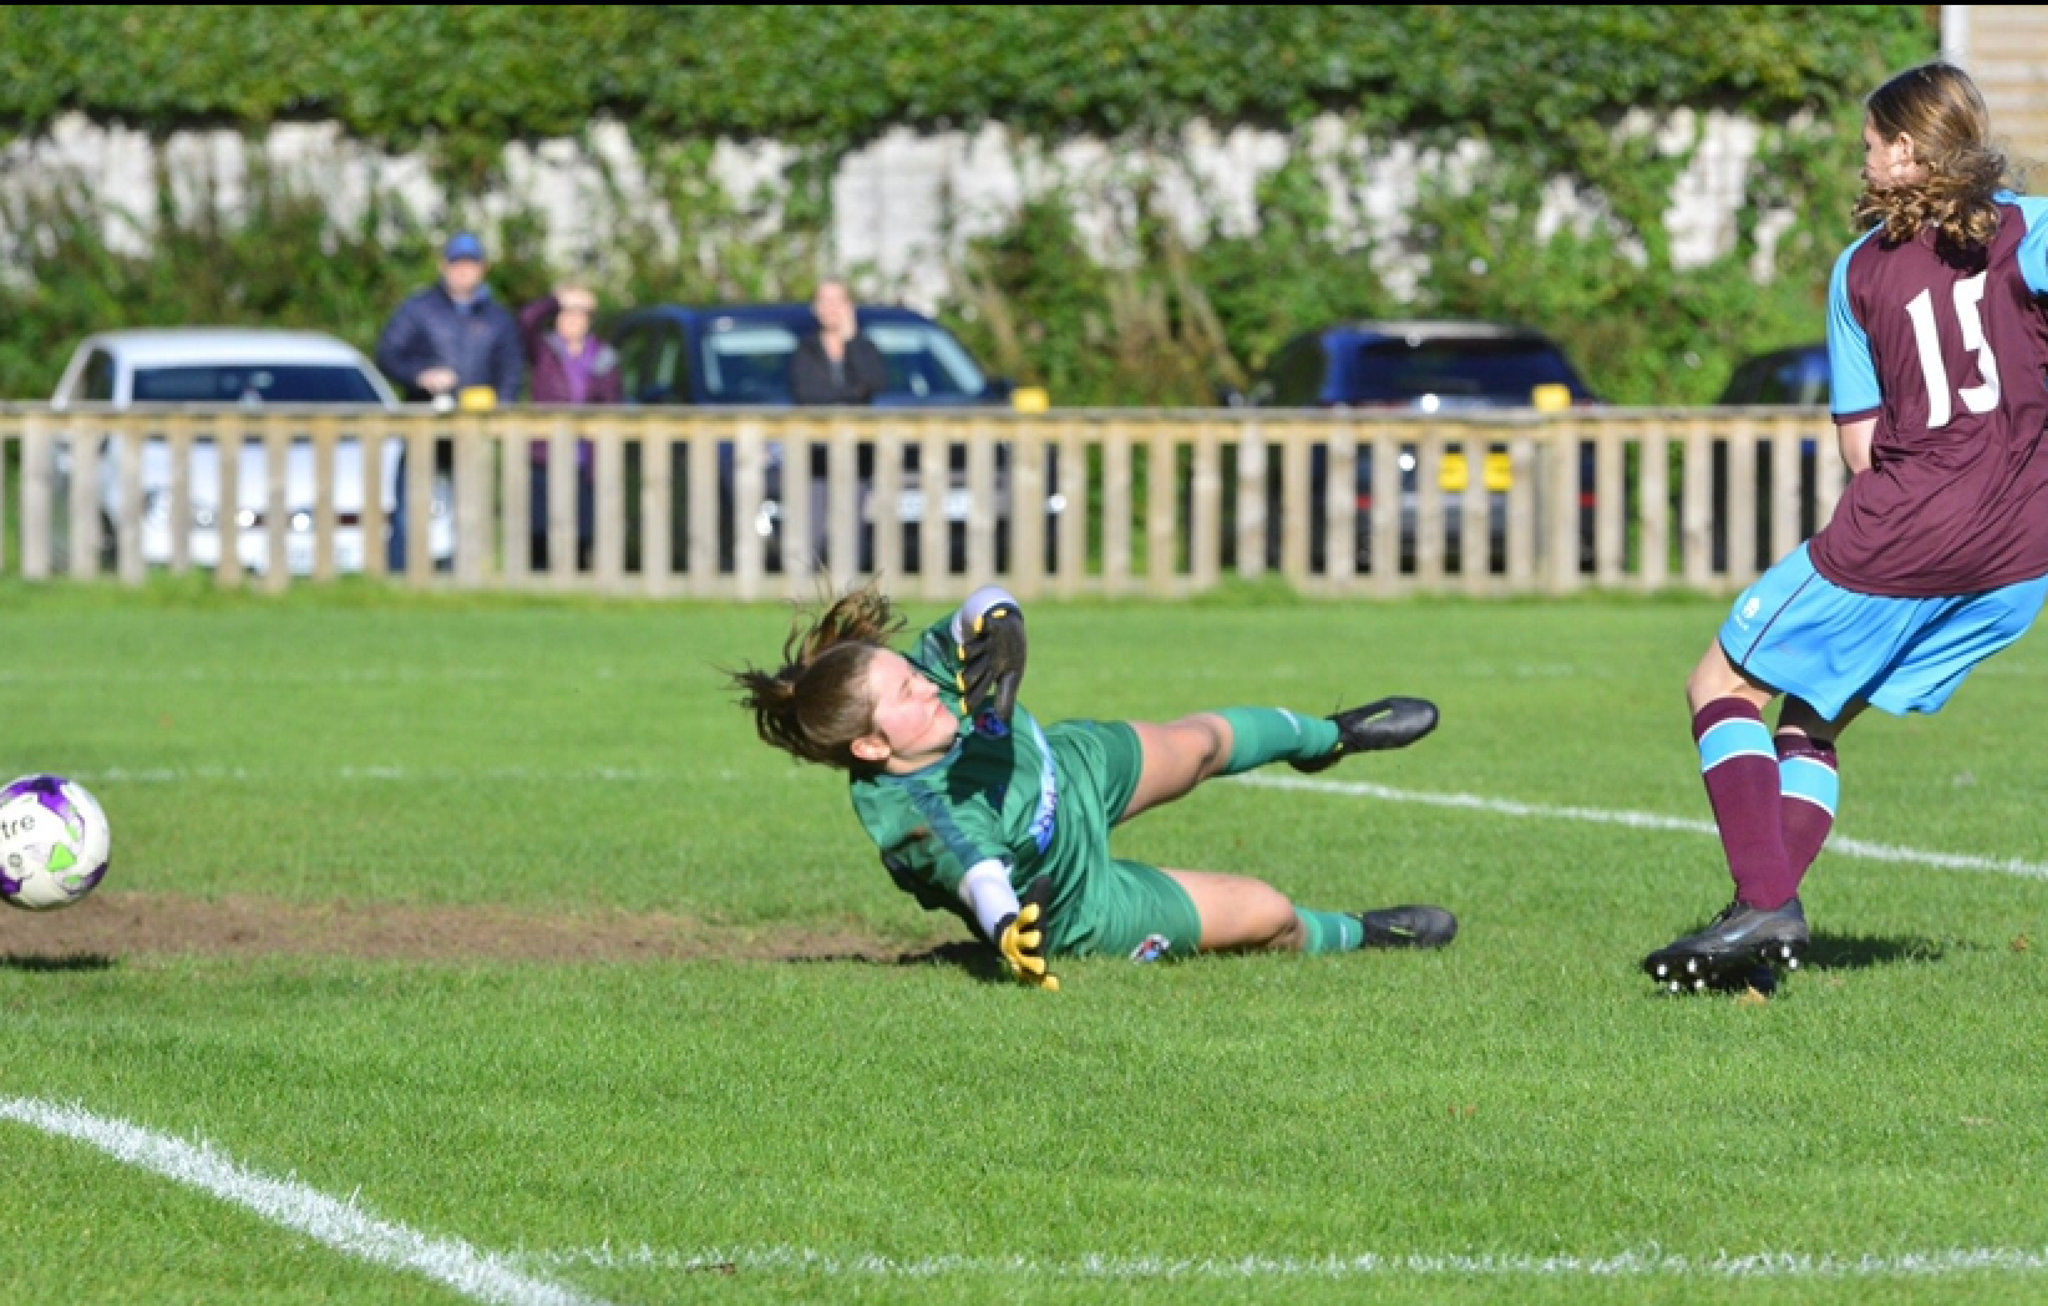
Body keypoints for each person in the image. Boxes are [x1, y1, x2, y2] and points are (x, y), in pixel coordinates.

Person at [1644, 60, 2048, 993]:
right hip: (2021, 556)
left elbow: (1864, 450)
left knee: (1721, 684)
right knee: (1813, 720)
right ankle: (1755, 936)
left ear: (1906, 150)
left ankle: (1764, 906)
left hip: (1906, 532)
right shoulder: (2030, 231)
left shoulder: (1861, 269)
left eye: (1870, 146)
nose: (1862, 163)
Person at [727, 581, 1457, 989]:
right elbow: (981, 877)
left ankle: (1330, 737)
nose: (927, 690)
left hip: (1067, 769)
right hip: (1077, 900)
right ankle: (1362, 935)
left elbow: (978, 604)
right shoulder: (921, 817)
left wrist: (1003, 621)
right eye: (908, 697)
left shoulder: (928, 687)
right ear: (870, 745)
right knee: (1268, 914)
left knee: (1199, 744)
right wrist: (1011, 932)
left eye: (915, 677)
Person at [374, 231, 525, 570]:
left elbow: (512, 370)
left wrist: (502, 405)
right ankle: (403, 576)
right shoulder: (419, 309)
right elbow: (389, 354)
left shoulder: (498, 318)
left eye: (470, 264)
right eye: (457, 264)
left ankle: (467, 575)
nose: (463, 271)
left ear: (483, 269)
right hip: (424, 422)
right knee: (410, 504)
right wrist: (421, 374)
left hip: (473, 428)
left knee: (471, 506)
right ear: (444, 267)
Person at [518, 285, 622, 570]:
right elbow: (526, 320)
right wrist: (555, 299)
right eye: (567, 314)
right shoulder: (544, 350)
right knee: (541, 528)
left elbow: (613, 404)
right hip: (546, 454)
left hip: (585, 459)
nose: (573, 320)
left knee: (583, 531)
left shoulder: (604, 357)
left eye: (580, 314)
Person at [788, 278, 890, 405]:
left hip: (860, 423)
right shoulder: (806, 350)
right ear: (816, 308)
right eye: (824, 301)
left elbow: (876, 385)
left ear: (849, 306)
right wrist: (856, 392)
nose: (831, 307)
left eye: (837, 301)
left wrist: (852, 342)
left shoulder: (866, 348)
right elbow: (807, 393)